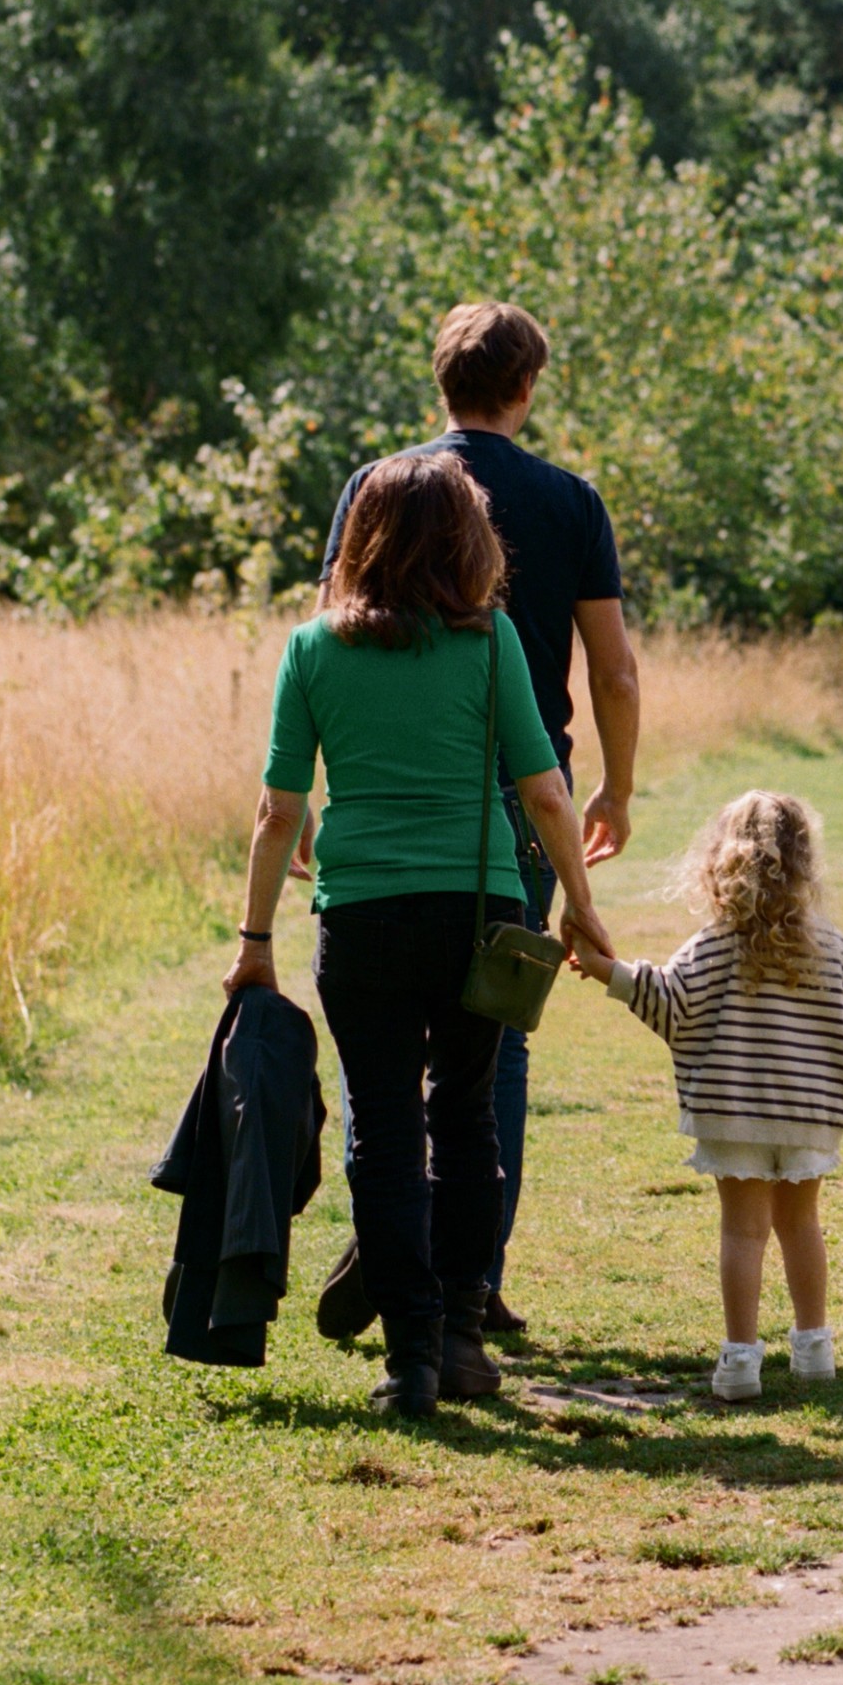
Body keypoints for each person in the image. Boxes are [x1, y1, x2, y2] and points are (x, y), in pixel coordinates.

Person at [232, 449, 614, 1420]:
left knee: (387, 1132)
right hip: (479, 913)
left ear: (360, 540)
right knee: (468, 1118)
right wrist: (579, 902)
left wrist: (256, 942)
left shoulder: (312, 648)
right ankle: (463, 1338)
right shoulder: (490, 648)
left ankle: (410, 1363)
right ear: (467, 541)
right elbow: (544, 791)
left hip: (361, 919)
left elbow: (280, 811)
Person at [323, 302, 639, 1344]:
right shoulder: (569, 501)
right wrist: (616, 789)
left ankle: (396, 1234)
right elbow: (613, 666)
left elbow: (340, 633)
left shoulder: (379, 489)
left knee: (385, 1042)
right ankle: (472, 1276)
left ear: (443, 378)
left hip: (393, 785)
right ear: (527, 385)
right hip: (521, 783)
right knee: (491, 1037)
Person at [577, 791, 843, 1402]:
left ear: (721, 863)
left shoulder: (715, 944)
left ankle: (739, 1363)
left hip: (735, 1113)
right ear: (805, 864)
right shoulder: (833, 949)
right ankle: (814, 1349)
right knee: (801, 1224)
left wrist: (606, 970)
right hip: (809, 1116)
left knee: (744, 1232)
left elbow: (670, 1003)